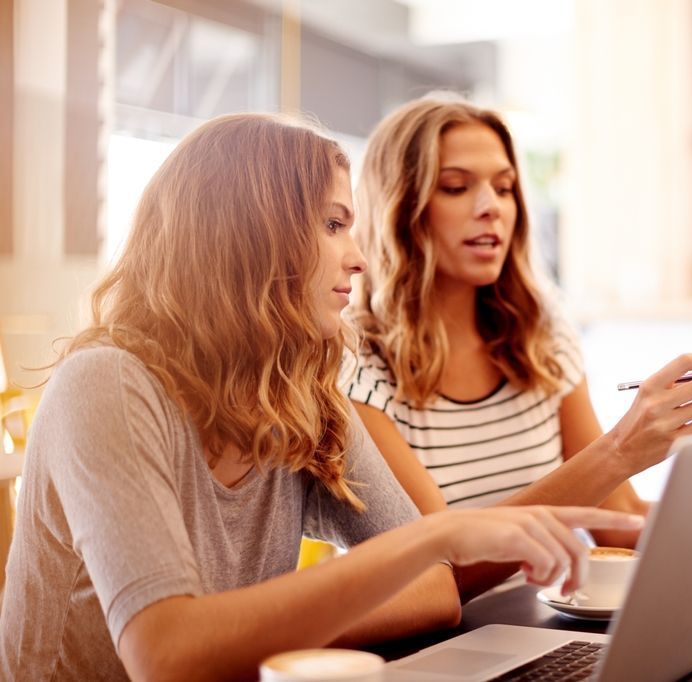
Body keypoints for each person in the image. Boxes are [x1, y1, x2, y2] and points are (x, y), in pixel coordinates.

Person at [0, 113, 645, 681]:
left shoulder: (302, 393)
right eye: (334, 224)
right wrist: (426, 541)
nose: (359, 258)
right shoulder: (108, 383)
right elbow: (168, 657)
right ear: (249, 235)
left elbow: (433, 593)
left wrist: (246, 630)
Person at [348, 96, 692, 601]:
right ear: (400, 206)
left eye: (505, 188)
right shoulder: (357, 364)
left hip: (539, 624)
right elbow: (439, 571)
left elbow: (618, 521)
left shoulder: (540, 337)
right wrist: (619, 450)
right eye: (456, 187)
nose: (491, 208)